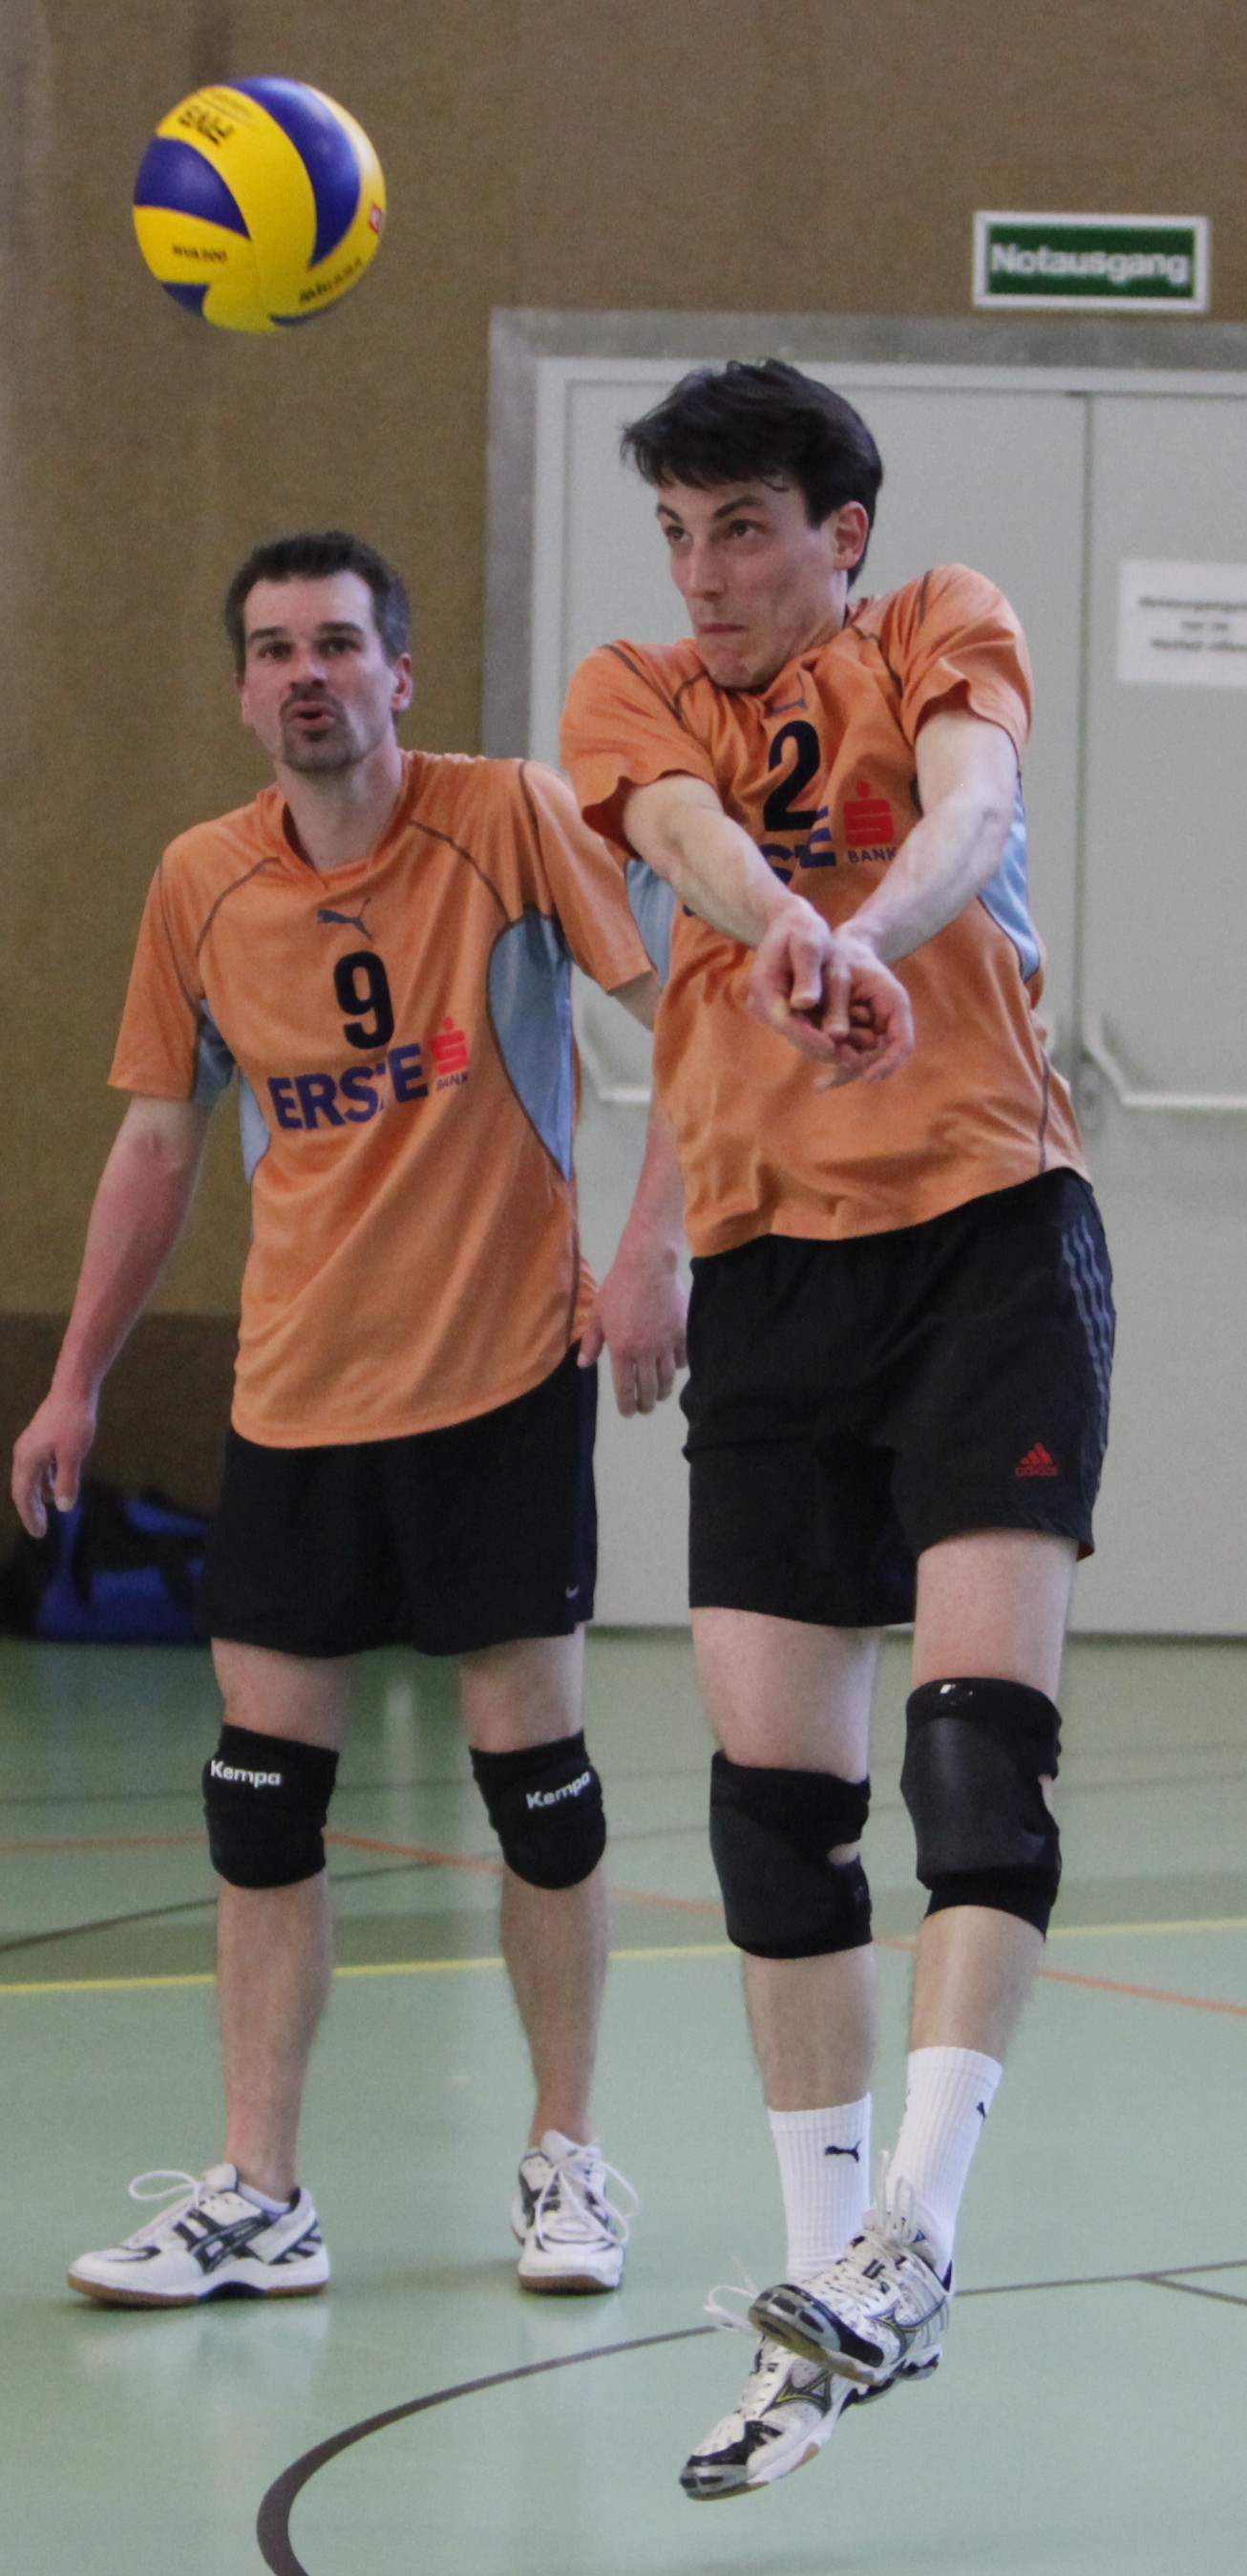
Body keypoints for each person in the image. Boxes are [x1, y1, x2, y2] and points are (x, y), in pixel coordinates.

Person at [11, 530, 687, 2309]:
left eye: (333, 643)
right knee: (259, 1800)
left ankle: (566, 2156)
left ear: (398, 672)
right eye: (271, 649)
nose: (303, 673)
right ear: (244, 692)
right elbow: (156, 1143)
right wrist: (76, 1376)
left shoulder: (506, 818)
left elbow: (687, 1022)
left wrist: (653, 1250)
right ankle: (260, 2190)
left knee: (538, 1786)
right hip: (298, 1391)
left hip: (499, 1375)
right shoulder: (200, 881)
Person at [560, 361, 1113, 2498]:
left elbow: (969, 812)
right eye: (678, 533)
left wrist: (867, 928)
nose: (702, 575)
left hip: (988, 1237)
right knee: (773, 1816)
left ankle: (918, 2235)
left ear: (839, 535)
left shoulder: (936, 624)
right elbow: (683, 841)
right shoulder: (630, 694)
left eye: (744, 529)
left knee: (972, 1756)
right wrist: (786, 927)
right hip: (773, 1274)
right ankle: (821, 2310)